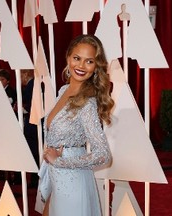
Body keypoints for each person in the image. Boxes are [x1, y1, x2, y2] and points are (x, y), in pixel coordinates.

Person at [39, 34, 114, 216]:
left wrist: (60, 161)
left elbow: (103, 155)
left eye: (89, 61)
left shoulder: (87, 102)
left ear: (96, 67)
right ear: (68, 57)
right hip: (56, 177)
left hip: (72, 181)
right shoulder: (64, 90)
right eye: (77, 58)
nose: (81, 66)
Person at [20, 69, 39, 187]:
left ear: (26, 74)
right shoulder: (34, 85)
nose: (20, 78)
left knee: (34, 152)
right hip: (34, 123)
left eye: (21, 75)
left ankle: (34, 180)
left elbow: (31, 106)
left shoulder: (30, 86)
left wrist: (21, 109)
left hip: (32, 125)